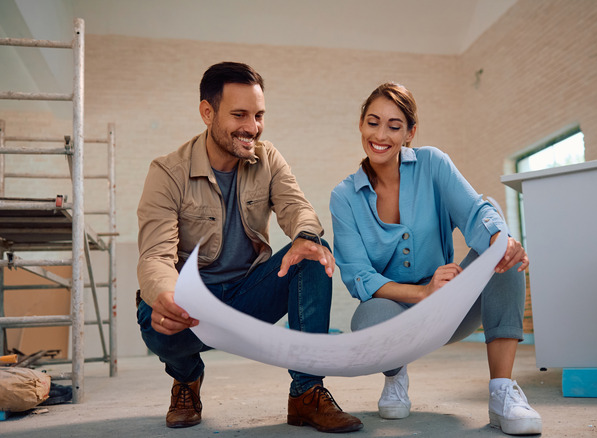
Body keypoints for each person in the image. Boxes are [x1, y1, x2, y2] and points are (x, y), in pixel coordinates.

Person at [136, 61, 362, 433]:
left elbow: (297, 209)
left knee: (311, 251)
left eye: (258, 115)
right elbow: (155, 256)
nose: (252, 127)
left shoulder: (268, 158)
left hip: (247, 296)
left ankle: (306, 392)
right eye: (239, 114)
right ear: (207, 112)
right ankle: (186, 378)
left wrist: (305, 235)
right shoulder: (167, 172)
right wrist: (166, 295)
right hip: (192, 303)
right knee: (154, 315)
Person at [329, 82, 542, 436]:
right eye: (372, 122)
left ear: (410, 132)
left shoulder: (433, 163)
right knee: (367, 319)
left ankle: (502, 392)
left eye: (394, 126)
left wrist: (500, 239)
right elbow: (359, 276)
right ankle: (395, 377)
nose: (380, 135)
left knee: (499, 250)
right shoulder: (344, 196)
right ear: (361, 125)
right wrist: (424, 292)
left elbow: (476, 212)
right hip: (397, 313)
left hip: (451, 308)